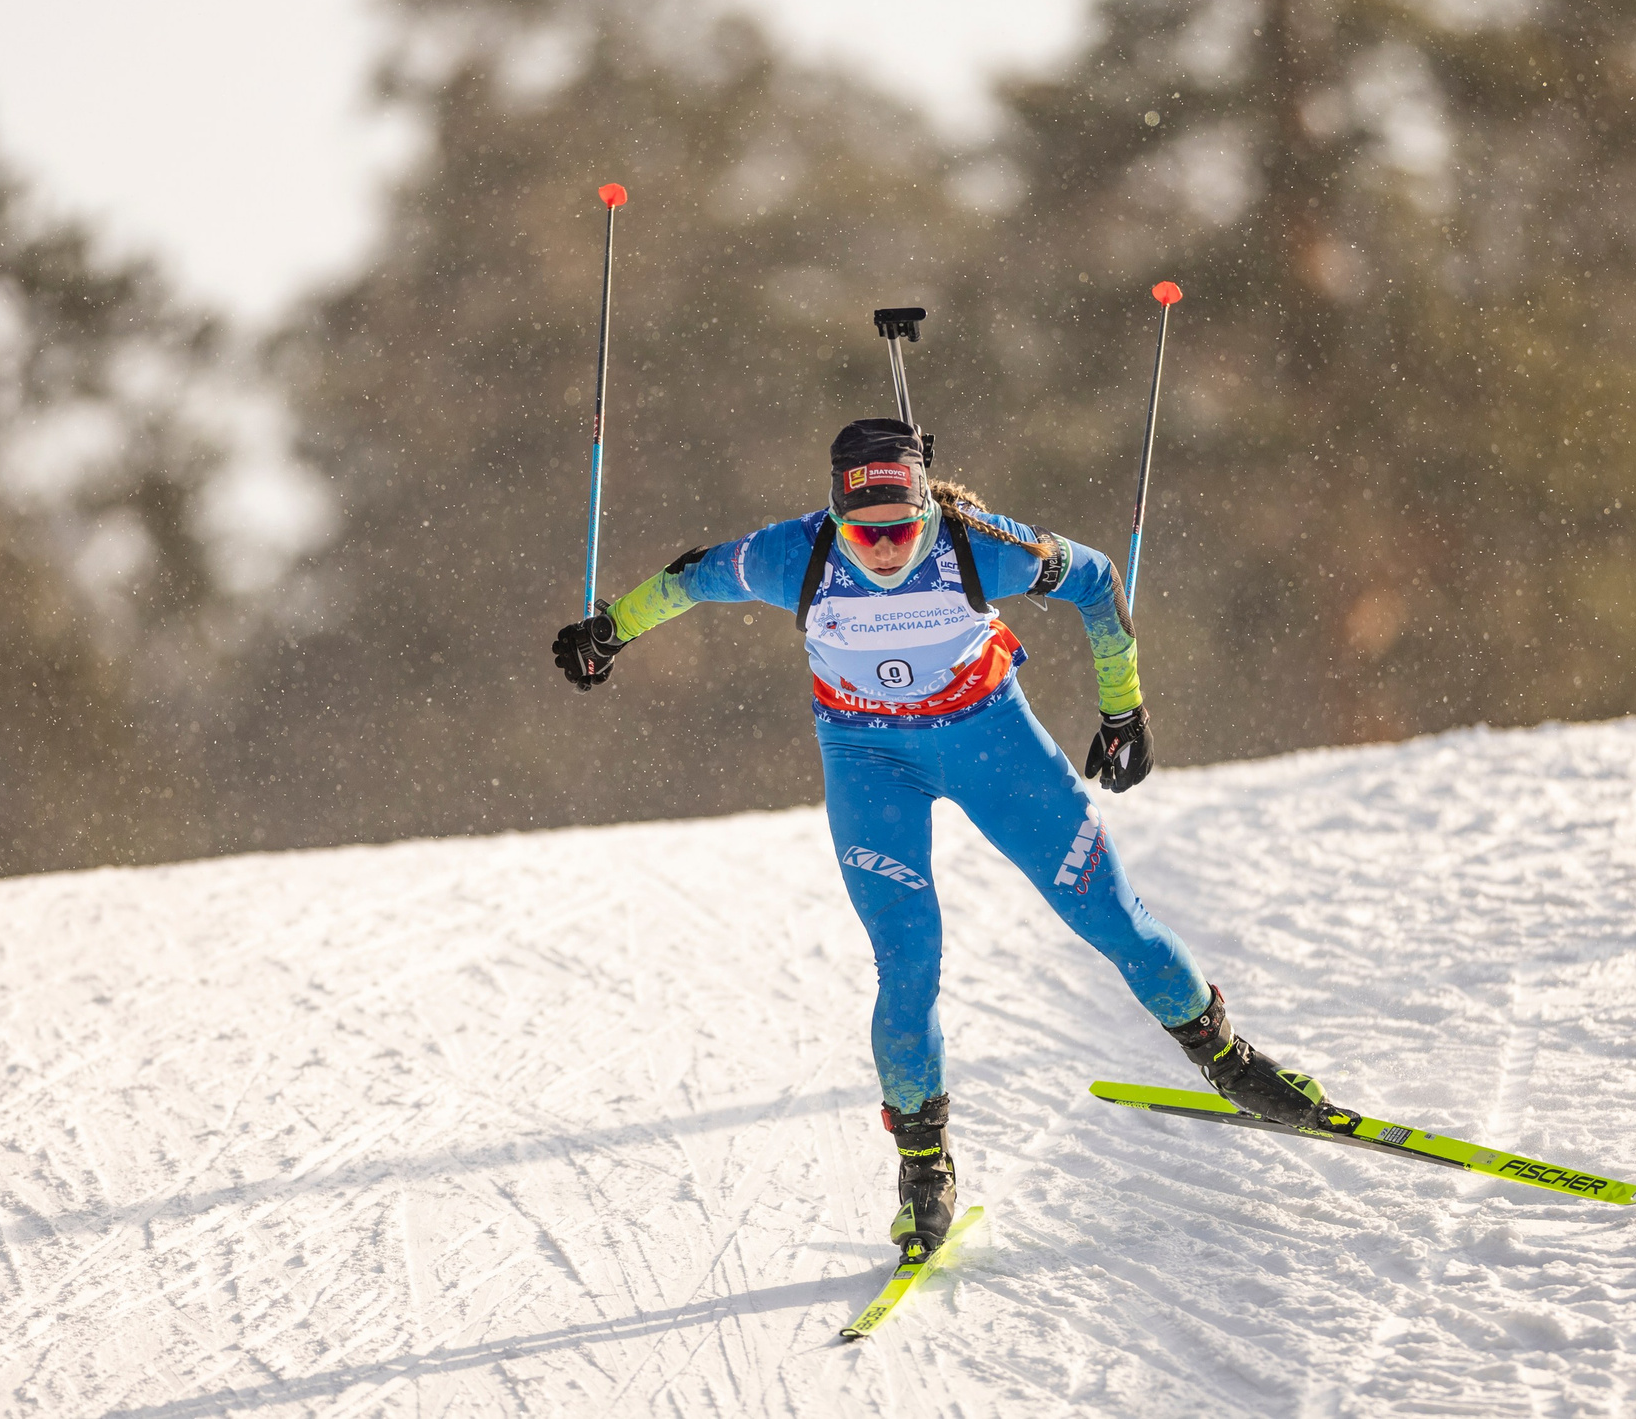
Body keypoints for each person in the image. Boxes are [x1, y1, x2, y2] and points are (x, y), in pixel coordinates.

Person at [553, 417, 1329, 1257]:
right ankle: (924, 1165)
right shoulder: (794, 556)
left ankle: (1230, 1059)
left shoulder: (974, 547)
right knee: (908, 958)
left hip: (992, 742)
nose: (884, 547)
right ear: (833, 518)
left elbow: (1097, 579)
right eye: (863, 532)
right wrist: (610, 631)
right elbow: (693, 578)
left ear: (927, 506)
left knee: (1113, 920)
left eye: (900, 527)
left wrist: (1123, 706)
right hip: (867, 759)